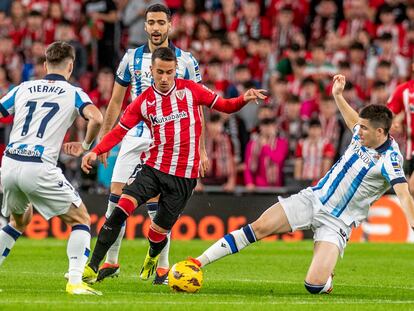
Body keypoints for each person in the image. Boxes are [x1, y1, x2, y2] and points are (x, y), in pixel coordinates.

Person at [187, 74, 414, 294]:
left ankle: (326, 276)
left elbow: (403, 194)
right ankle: (196, 262)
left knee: (314, 286)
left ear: (380, 132)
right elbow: (353, 120)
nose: (358, 131)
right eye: (361, 127)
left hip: (337, 223)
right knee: (259, 227)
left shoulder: (390, 159)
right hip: (313, 199)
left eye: (365, 128)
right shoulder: (364, 133)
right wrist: (337, 95)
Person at [80, 46, 266, 285]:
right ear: (151, 70)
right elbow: (119, 131)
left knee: (156, 234)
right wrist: (96, 151)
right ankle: (92, 267)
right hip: (153, 169)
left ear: (176, 69)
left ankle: (152, 257)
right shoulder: (143, 102)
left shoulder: (191, 90)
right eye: (160, 72)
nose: (165, 77)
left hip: (183, 178)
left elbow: (225, 106)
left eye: (169, 72)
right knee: (119, 210)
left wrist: (244, 99)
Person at [96, 3, 206, 285]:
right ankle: (111, 261)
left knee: (158, 203)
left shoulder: (186, 60)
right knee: (116, 197)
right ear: (144, 26)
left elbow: (199, 107)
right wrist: (105, 140)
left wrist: (201, 148)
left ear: (170, 25)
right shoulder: (131, 58)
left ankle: (162, 267)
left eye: (161, 22)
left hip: (169, 140)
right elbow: (116, 101)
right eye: (151, 22)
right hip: (134, 136)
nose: (156, 28)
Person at [0, 41, 103, 295]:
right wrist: (85, 145)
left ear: (45, 65)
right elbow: (97, 118)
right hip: (38, 167)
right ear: (70, 66)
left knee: (19, 220)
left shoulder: (23, 87)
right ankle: (76, 281)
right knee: (81, 220)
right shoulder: (73, 92)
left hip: (10, 164)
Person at [387, 63, 414, 194]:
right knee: (409, 190)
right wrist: (394, 124)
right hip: (409, 149)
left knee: (412, 187)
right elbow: (388, 117)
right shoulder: (403, 90)